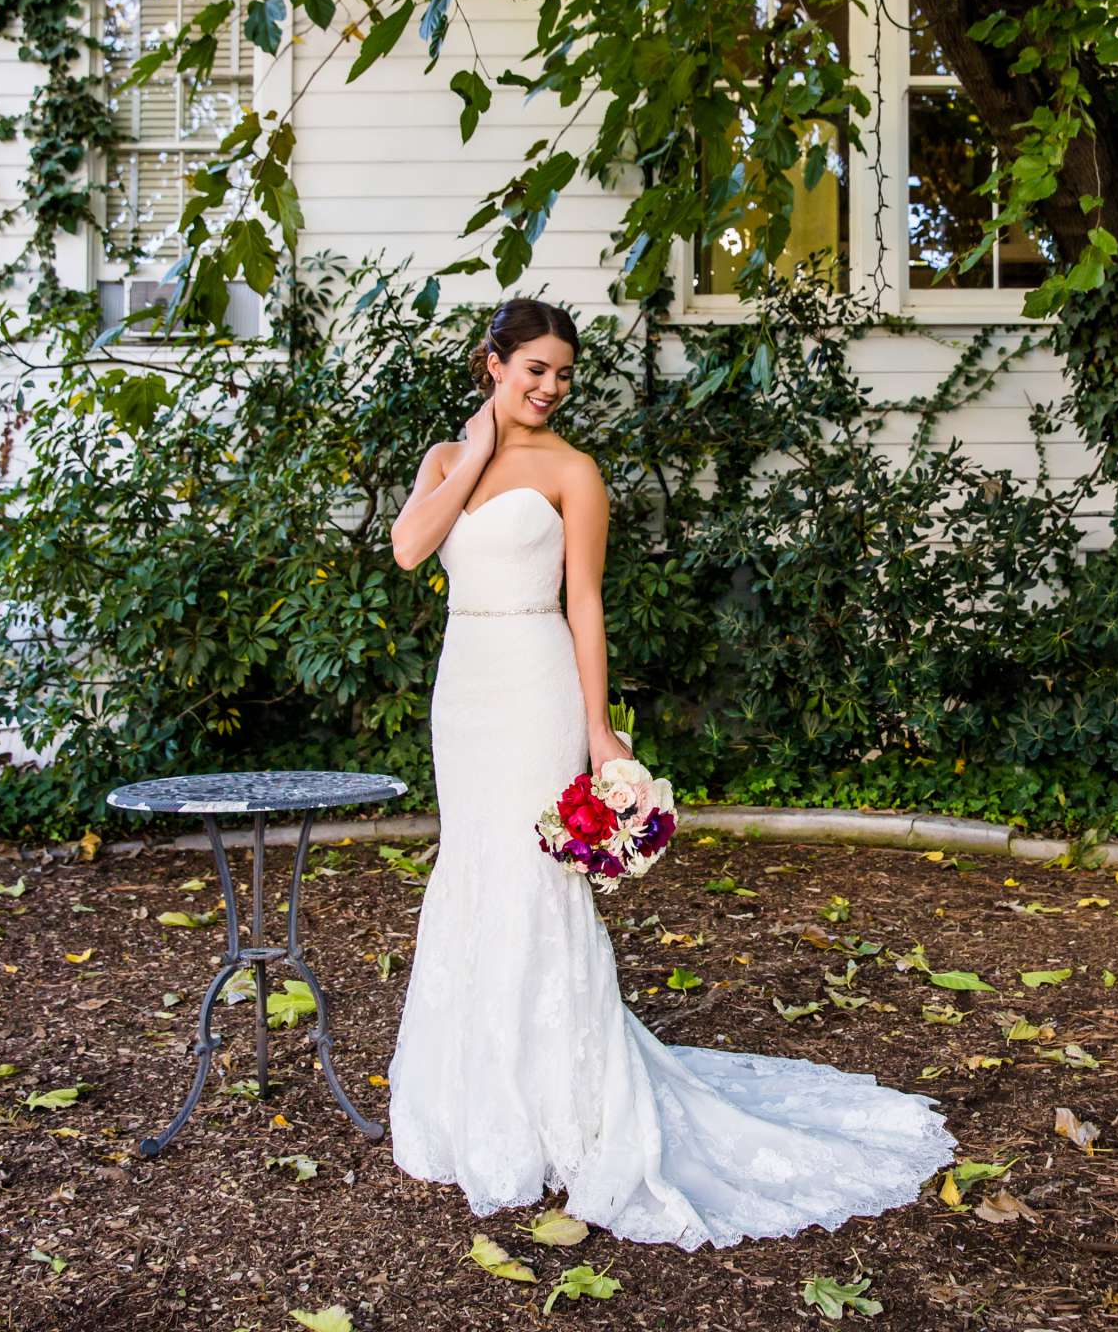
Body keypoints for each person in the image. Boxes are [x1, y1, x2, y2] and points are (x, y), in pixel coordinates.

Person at [383, 296, 958, 1250]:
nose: (552, 388)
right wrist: (476, 449)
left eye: (564, 373)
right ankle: (474, 1095)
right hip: (463, 689)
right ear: (494, 364)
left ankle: (564, 1101)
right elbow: (409, 549)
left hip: (534, 685)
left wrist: (600, 730)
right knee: (472, 868)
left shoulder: (577, 471)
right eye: (535, 370)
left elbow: (586, 602)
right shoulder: (447, 461)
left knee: (534, 876)